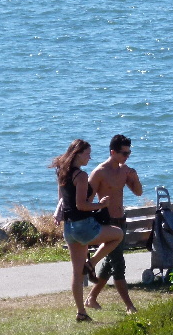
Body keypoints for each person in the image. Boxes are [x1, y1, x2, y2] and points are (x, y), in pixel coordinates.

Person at [49, 139, 123, 322]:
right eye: (88, 154)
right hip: (83, 226)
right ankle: (92, 263)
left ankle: (81, 312)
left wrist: (58, 214)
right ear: (78, 154)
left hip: (70, 228)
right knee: (118, 234)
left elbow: (62, 199)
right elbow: (81, 205)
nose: (90, 157)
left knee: (76, 273)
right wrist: (101, 204)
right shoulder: (80, 176)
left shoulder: (63, 172)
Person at [84, 134, 143, 314]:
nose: (127, 156)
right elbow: (86, 201)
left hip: (121, 220)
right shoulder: (99, 172)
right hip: (107, 222)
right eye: (124, 153)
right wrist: (99, 207)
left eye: (129, 153)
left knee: (110, 263)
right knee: (118, 263)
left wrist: (135, 177)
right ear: (113, 152)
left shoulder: (125, 171)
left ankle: (92, 298)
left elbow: (139, 193)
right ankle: (129, 306)